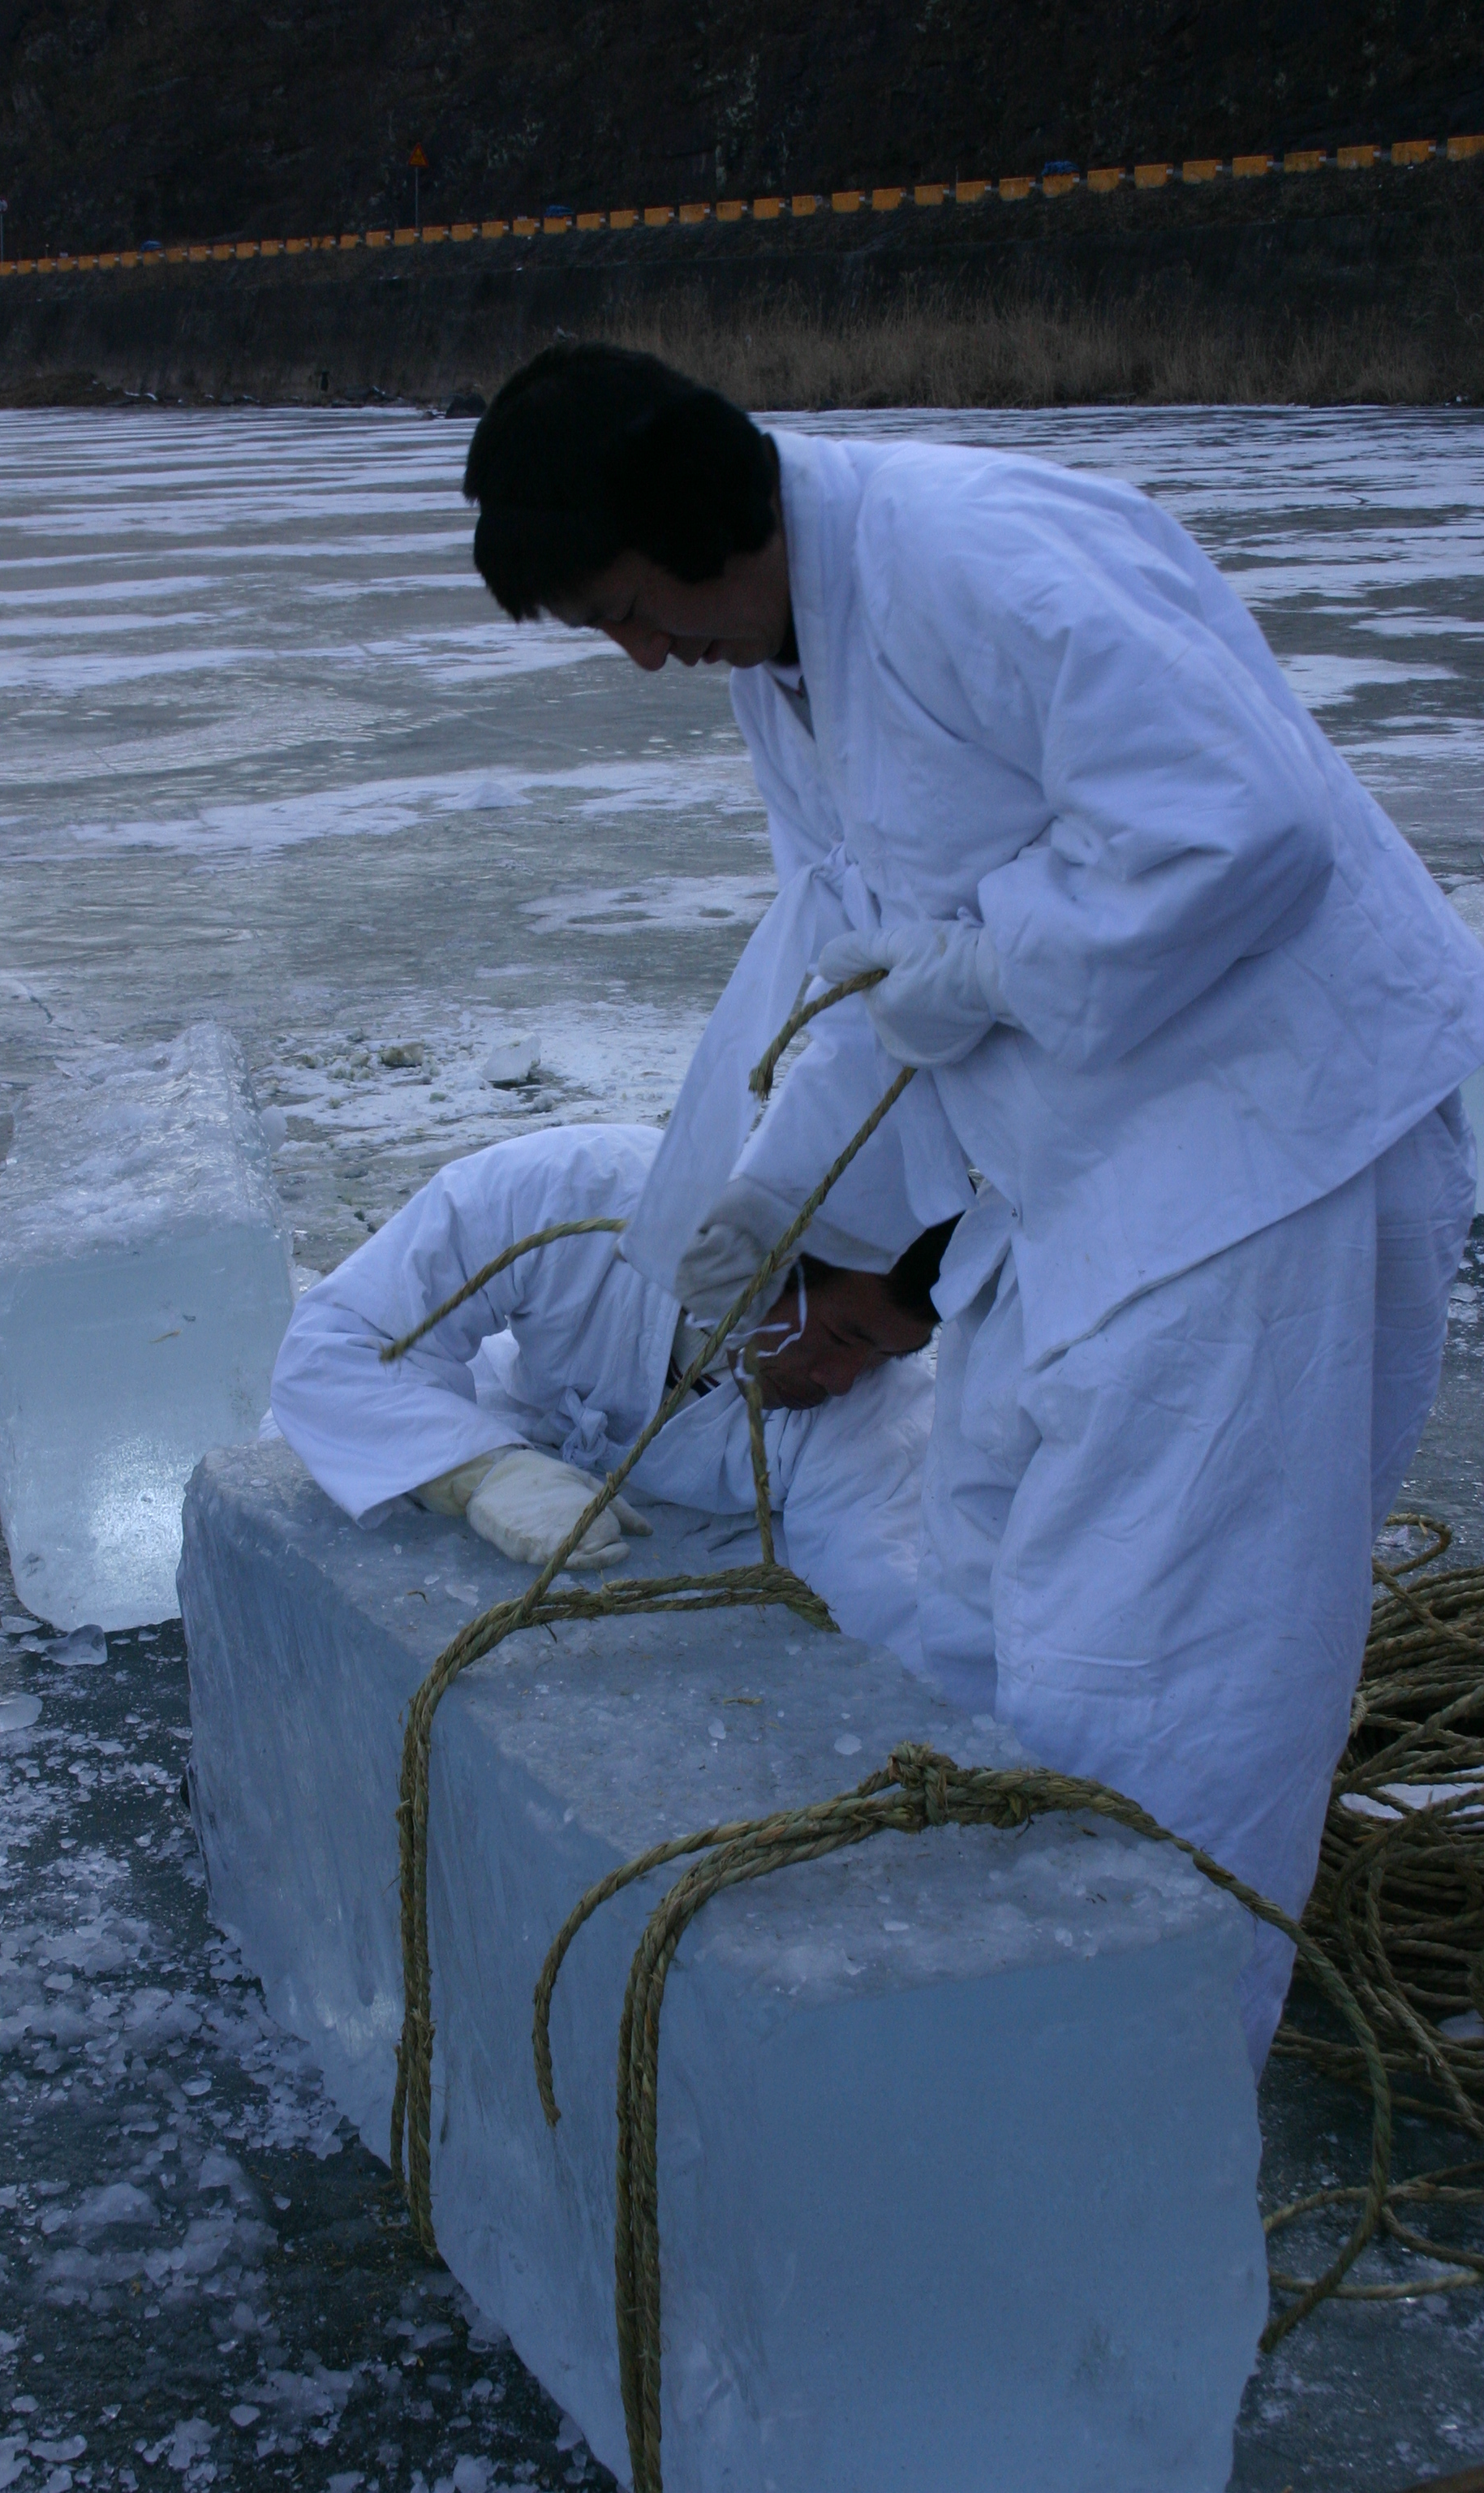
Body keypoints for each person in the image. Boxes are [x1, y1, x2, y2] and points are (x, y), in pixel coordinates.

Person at [461, 343, 1484, 2065]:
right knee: (996, 1569)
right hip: (1087, 1166)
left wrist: (990, 964)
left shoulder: (973, 559)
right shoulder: (774, 653)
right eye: (604, 630)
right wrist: (776, 1189)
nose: (643, 653)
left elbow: (1242, 835)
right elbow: (862, 957)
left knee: (1164, 1674)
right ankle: (1017, 2036)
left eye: (634, 606)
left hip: (1268, 1152)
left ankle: (1139, 2101)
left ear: (708, 522)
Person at [268, 1122, 953, 1664]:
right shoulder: (581, 1188)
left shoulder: (877, 1415)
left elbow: (887, 1602)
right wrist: (476, 1471)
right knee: (312, 1451)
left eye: (885, 1355)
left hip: (722, 1555)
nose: (841, 1380)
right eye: (839, 1336)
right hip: (525, 1435)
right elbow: (338, 1341)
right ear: (771, 1265)